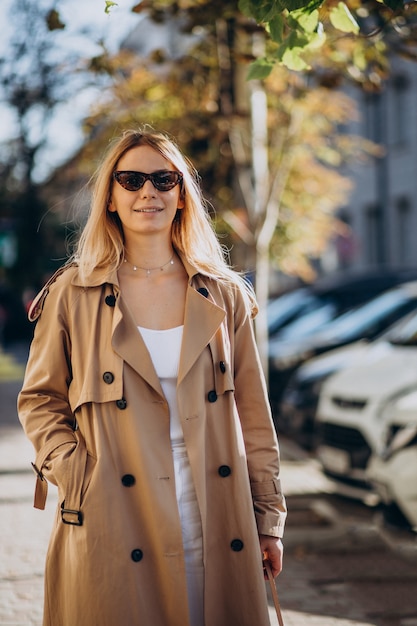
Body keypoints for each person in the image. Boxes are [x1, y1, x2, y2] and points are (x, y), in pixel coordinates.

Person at [18, 127, 287, 626]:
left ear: (182, 195)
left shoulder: (224, 294)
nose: (149, 192)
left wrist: (268, 518)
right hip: (113, 511)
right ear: (111, 198)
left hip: (215, 511)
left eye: (164, 179)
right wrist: (76, 475)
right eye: (132, 179)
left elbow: (254, 414)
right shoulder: (72, 293)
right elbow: (40, 400)